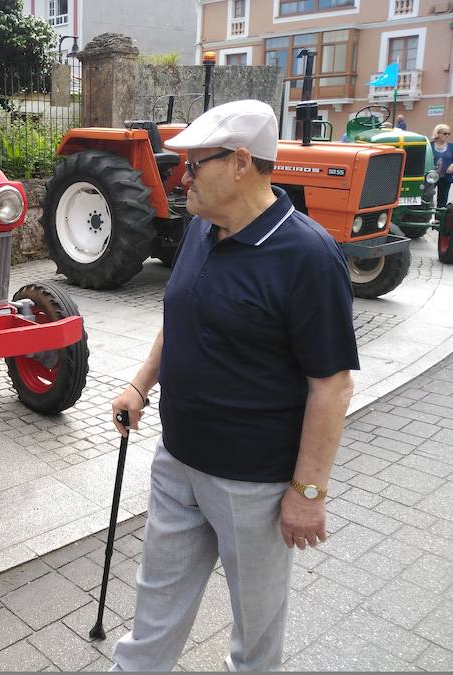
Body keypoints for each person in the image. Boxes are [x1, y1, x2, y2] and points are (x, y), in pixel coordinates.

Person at [109, 99, 359, 672]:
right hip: (177, 463)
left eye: (194, 164)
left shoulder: (308, 257)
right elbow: (181, 316)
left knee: (256, 633)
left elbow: (332, 387)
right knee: (154, 612)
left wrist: (309, 493)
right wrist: (141, 385)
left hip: (254, 489)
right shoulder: (201, 228)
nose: (182, 176)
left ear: (241, 162)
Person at [431, 124, 453, 208]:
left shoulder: (451, 146)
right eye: (445, 133)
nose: (447, 136)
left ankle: (439, 219)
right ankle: (426, 218)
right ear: (438, 133)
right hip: (431, 177)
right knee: (427, 197)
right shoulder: (430, 145)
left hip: (445, 177)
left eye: (448, 134)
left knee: (442, 200)